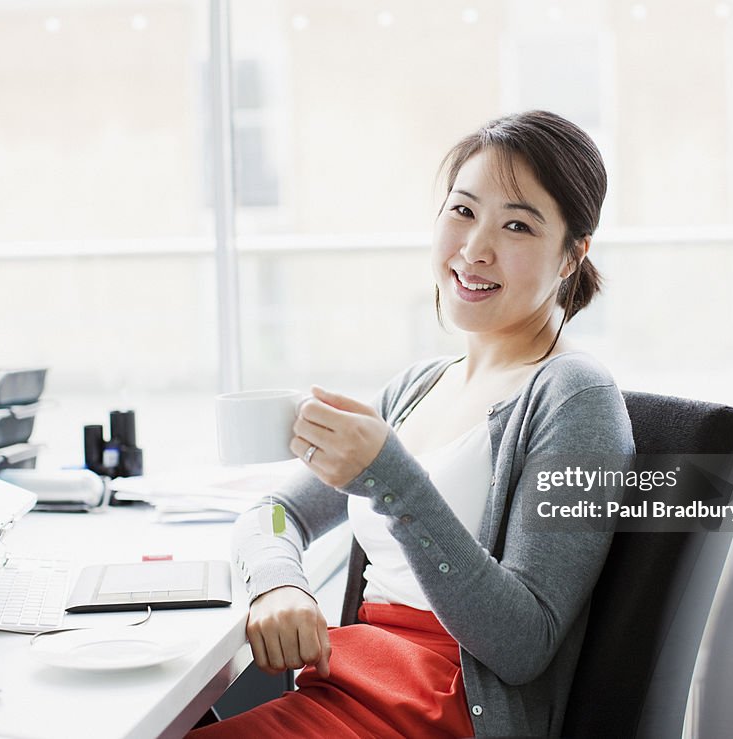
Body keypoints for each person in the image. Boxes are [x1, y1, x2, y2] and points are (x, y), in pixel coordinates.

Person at [188, 110, 635, 738]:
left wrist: (389, 479)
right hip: (348, 683)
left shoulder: (574, 394)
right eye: (462, 211)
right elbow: (273, 512)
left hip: (440, 712)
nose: (475, 248)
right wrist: (278, 583)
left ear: (571, 256)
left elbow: (523, 642)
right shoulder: (417, 386)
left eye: (517, 225)